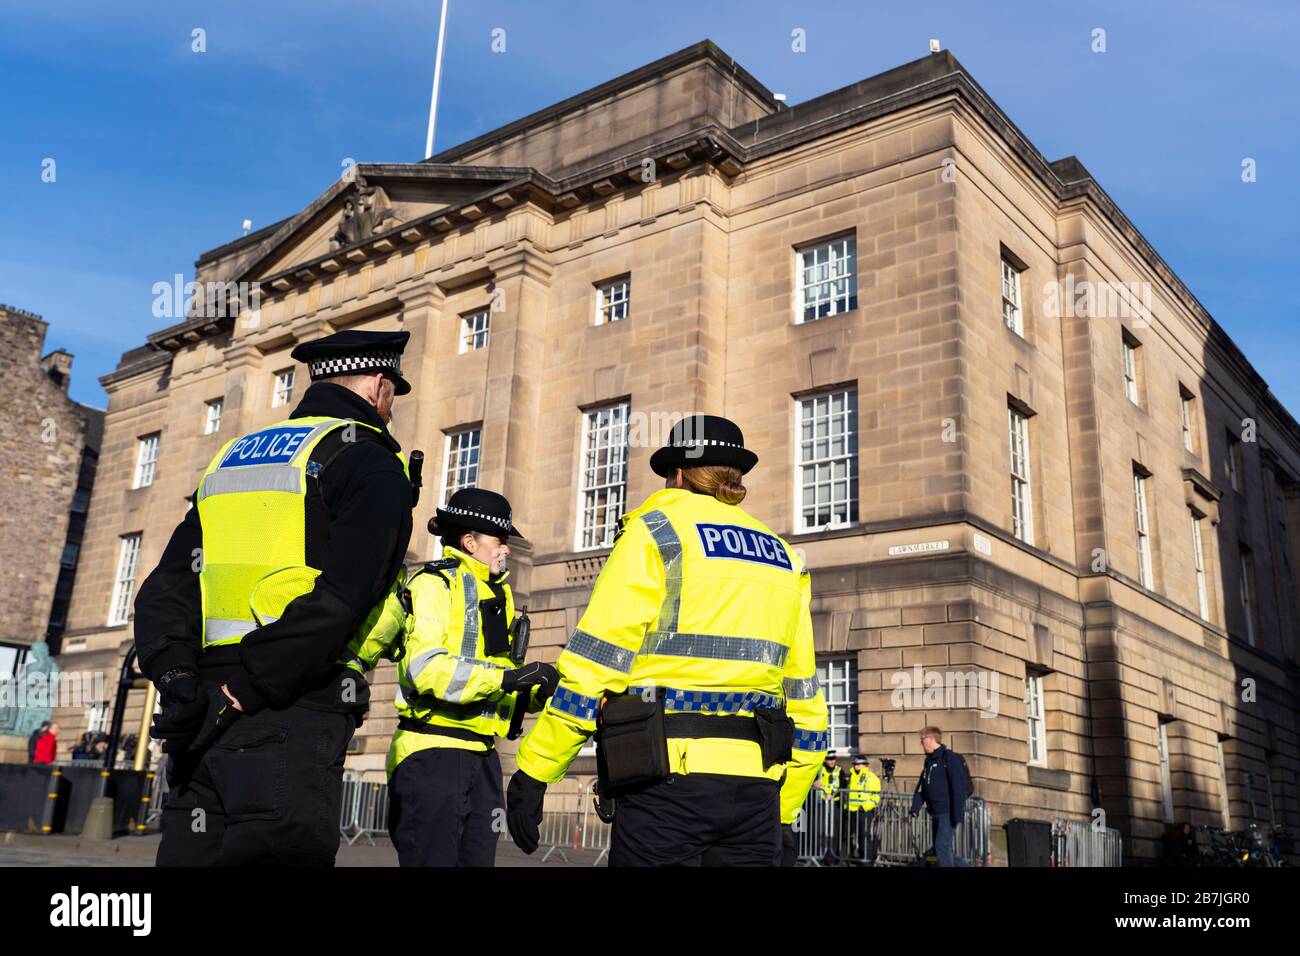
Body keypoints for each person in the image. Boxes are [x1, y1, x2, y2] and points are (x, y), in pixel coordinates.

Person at [135, 329, 416, 867]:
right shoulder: (372, 462)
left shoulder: (233, 458)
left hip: (198, 714)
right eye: (393, 396)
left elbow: (164, 590)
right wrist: (244, 688)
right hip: (287, 708)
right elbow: (341, 597)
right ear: (381, 387)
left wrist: (176, 678)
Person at [505, 414, 829, 867]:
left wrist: (536, 769)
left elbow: (593, 665)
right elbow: (807, 705)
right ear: (734, 476)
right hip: (755, 795)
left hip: (664, 786)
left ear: (676, 474)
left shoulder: (655, 532)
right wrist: (785, 811)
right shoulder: (785, 558)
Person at [345, 488, 559, 866]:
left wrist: (533, 690)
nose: (506, 549)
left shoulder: (499, 595)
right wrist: (507, 680)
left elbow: (494, 681)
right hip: (432, 754)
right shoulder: (433, 585)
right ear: (469, 541)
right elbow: (426, 669)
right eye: (500, 540)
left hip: (482, 757)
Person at [909, 726, 969, 867]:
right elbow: (922, 787)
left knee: (941, 847)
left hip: (947, 813)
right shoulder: (928, 762)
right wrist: (915, 807)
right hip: (935, 813)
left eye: (922, 740)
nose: (921, 743)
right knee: (940, 849)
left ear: (931, 739)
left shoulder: (949, 758)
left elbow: (958, 787)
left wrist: (957, 814)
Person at [847, 754, 881, 864]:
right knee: (857, 837)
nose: (855, 766)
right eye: (855, 764)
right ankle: (862, 859)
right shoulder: (853, 776)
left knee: (864, 837)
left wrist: (865, 806)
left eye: (858, 764)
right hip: (853, 810)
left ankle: (867, 861)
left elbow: (875, 797)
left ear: (864, 765)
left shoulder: (871, 777)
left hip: (864, 811)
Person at [813, 750, 844, 863]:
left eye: (833, 759)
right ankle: (822, 856)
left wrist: (834, 795)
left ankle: (833, 857)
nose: (832, 761)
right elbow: (811, 783)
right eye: (829, 759)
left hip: (834, 804)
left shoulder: (839, 770)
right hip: (821, 804)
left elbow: (843, 787)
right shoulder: (819, 769)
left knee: (833, 832)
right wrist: (814, 784)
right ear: (825, 760)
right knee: (821, 831)